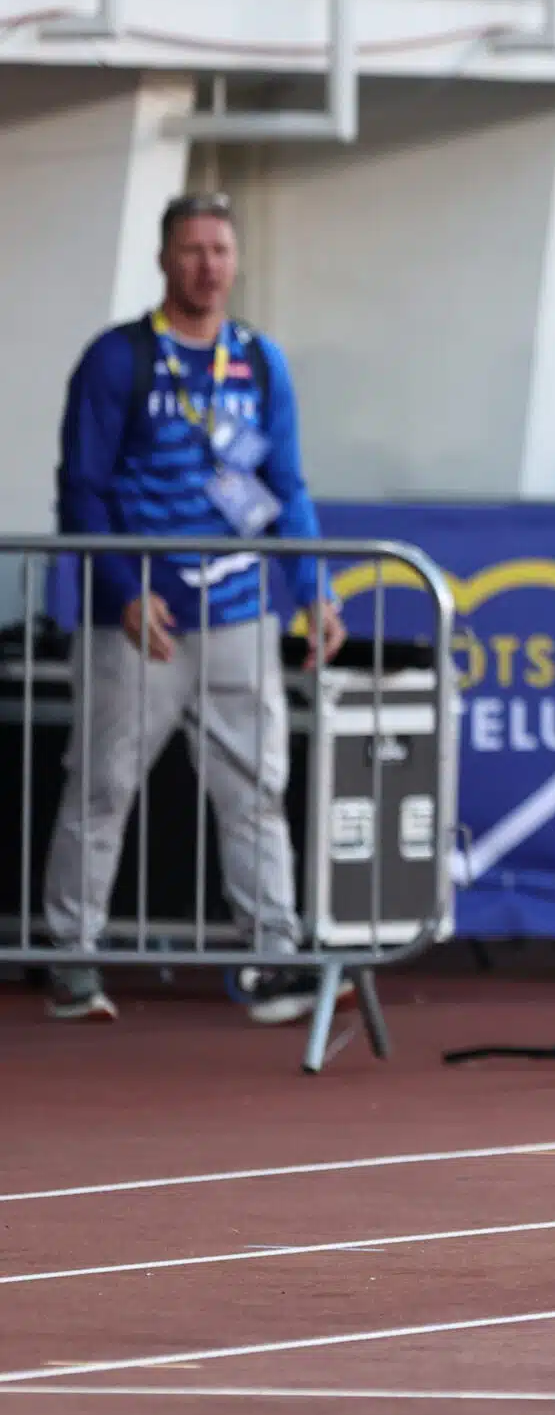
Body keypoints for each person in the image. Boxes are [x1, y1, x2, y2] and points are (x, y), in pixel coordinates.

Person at [46, 193, 349, 1025]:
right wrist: (121, 591)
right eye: (191, 250)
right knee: (101, 786)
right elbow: (82, 489)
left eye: (220, 249)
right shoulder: (118, 359)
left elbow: (285, 484)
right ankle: (72, 957)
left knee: (256, 789)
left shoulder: (260, 361)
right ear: (163, 259)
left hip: (242, 612)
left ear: (237, 260)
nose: (207, 266)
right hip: (140, 621)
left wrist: (313, 589)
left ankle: (272, 956)